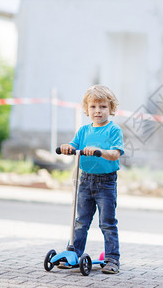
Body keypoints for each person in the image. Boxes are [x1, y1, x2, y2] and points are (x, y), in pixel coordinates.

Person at [59, 85, 124, 273]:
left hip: (106, 183)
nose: (98, 111)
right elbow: (74, 145)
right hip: (85, 180)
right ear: (87, 109)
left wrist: (99, 152)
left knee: (107, 222)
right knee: (80, 221)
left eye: (103, 107)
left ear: (110, 109)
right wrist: (67, 147)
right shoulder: (83, 131)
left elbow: (114, 154)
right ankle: (73, 252)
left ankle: (112, 258)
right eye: (93, 107)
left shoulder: (114, 130)